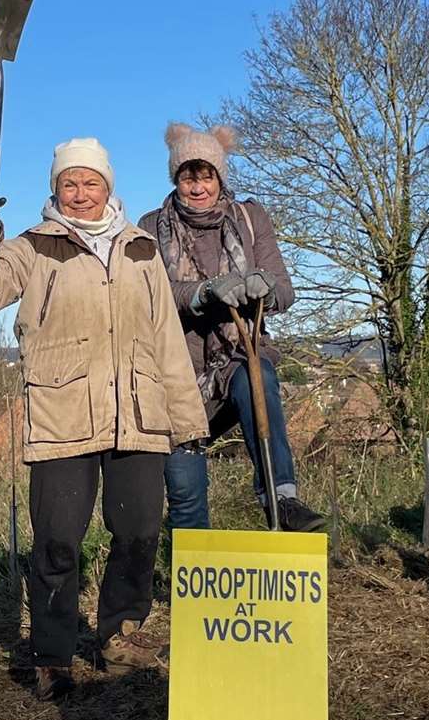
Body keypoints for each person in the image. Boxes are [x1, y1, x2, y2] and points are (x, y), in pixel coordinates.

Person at [0, 138, 207, 700]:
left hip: (139, 413)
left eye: (91, 183)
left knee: (139, 533)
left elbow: (167, 339)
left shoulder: (141, 250)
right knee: (58, 541)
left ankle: (121, 636)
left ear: (108, 187)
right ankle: (52, 654)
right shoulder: (33, 246)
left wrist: (186, 424)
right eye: (70, 183)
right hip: (62, 412)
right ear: (55, 189)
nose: (81, 193)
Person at [137, 122, 324, 532]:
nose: (198, 187)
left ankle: (282, 500)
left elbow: (285, 290)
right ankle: (189, 571)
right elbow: (148, 294)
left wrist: (266, 289)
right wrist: (202, 293)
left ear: (220, 177)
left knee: (258, 380)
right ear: (176, 179)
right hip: (177, 372)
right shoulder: (151, 227)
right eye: (189, 176)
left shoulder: (249, 218)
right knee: (185, 489)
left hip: (236, 355)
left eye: (207, 176)